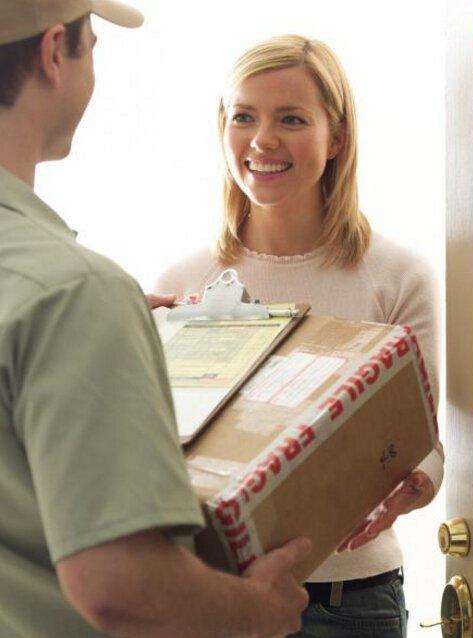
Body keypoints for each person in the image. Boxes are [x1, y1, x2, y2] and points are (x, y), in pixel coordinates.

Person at [0, 4, 311, 637]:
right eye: (93, 44)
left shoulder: (58, 294)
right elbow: (120, 587)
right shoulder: (73, 292)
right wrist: (260, 611)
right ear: (55, 53)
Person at [155, 35, 445, 637]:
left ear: (336, 137)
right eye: (244, 116)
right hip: (218, 596)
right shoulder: (182, 285)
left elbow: (421, 441)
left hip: (352, 600)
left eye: (291, 119)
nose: (262, 140)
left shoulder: (396, 277)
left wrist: (418, 485)